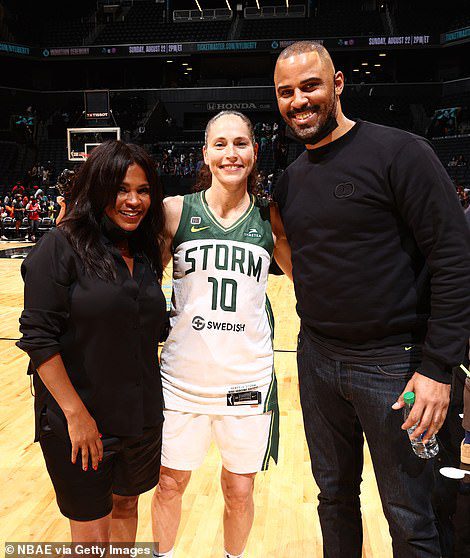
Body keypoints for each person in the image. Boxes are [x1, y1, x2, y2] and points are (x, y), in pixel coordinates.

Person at [273, 41, 470, 558]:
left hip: (396, 366)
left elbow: (455, 261)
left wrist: (438, 368)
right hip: (316, 361)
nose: (299, 100)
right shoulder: (290, 182)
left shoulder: (400, 153)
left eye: (310, 85)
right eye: (286, 92)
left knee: (413, 517)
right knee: (333, 499)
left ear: (338, 84)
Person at [152, 111, 291, 558]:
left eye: (240, 144)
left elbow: (311, 282)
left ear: (254, 152)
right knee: (170, 483)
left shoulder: (271, 221)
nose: (231, 153)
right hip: (181, 381)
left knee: (239, 490)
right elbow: (133, 284)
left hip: (246, 382)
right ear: (206, 152)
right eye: (220, 144)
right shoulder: (175, 211)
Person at [17, 140, 167, 544]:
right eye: (121, 189)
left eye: (143, 190)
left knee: (127, 508)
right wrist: (76, 416)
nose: (133, 200)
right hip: (81, 423)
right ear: (98, 188)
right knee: (90, 541)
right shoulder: (61, 245)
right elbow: (38, 337)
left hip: (141, 419)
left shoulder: (146, 250)